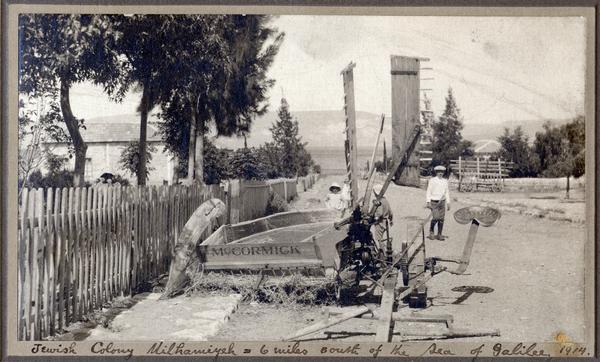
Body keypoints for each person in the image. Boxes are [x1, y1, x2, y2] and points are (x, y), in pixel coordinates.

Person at [426, 165, 451, 240]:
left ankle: (439, 234)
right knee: (436, 217)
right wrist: (428, 201)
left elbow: (447, 192)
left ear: (443, 172)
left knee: (441, 219)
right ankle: (431, 231)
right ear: (436, 172)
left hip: (442, 202)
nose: (440, 173)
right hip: (434, 202)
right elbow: (428, 191)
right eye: (439, 172)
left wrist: (448, 202)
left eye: (442, 172)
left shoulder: (445, 181)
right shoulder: (432, 180)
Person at [371, 183, 393, 249]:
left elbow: (379, 213)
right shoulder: (386, 201)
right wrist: (391, 220)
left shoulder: (379, 202)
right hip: (385, 222)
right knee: (381, 237)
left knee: (379, 239)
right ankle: (384, 250)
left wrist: (374, 219)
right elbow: (391, 212)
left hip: (380, 222)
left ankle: (383, 252)